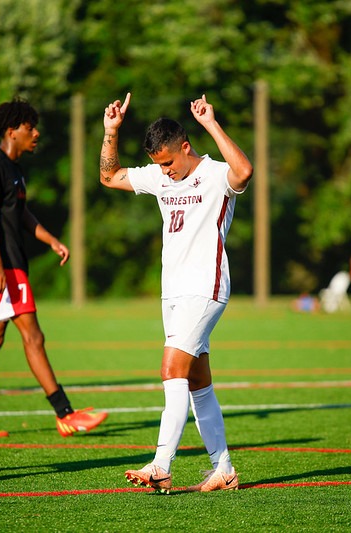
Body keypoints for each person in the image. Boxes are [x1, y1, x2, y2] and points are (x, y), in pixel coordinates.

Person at [100, 93, 253, 493]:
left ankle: (161, 465)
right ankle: (224, 470)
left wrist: (211, 124)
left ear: (186, 147)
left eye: (168, 162)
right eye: (158, 165)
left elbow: (245, 171)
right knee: (199, 382)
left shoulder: (216, 174)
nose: (164, 172)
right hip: (174, 294)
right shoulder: (159, 176)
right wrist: (110, 132)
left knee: (171, 370)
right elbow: (109, 176)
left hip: (206, 288)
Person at [0, 98, 107, 439]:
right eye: (30, 128)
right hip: (3, 266)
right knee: (24, 336)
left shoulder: (15, 169)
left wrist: (51, 239)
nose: (35, 133)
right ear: (12, 131)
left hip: (11, 265)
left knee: (2, 337)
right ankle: (64, 413)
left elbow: (20, 215)